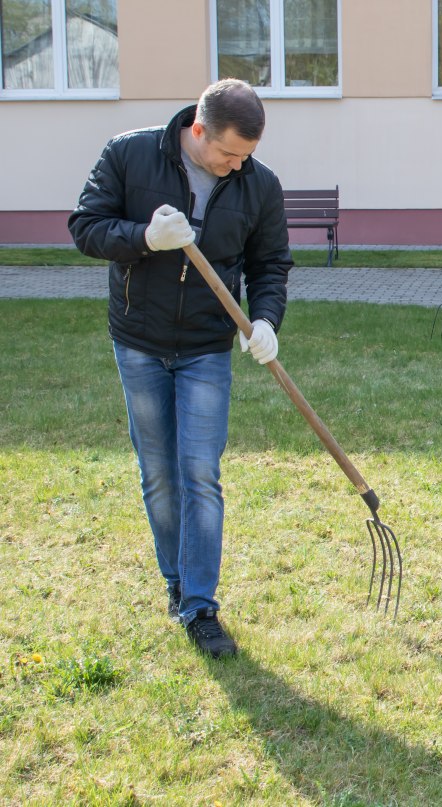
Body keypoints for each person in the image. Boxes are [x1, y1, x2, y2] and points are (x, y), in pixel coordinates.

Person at [68, 79, 293, 658]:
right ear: (199, 130)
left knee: (200, 473)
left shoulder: (258, 184)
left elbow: (270, 264)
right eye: (228, 155)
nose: (236, 166)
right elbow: (85, 227)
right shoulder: (129, 154)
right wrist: (143, 237)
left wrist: (266, 320)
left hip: (205, 346)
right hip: (138, 340)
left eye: (245, 156)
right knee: (159, 473)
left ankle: (199, 604)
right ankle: (174, 579)